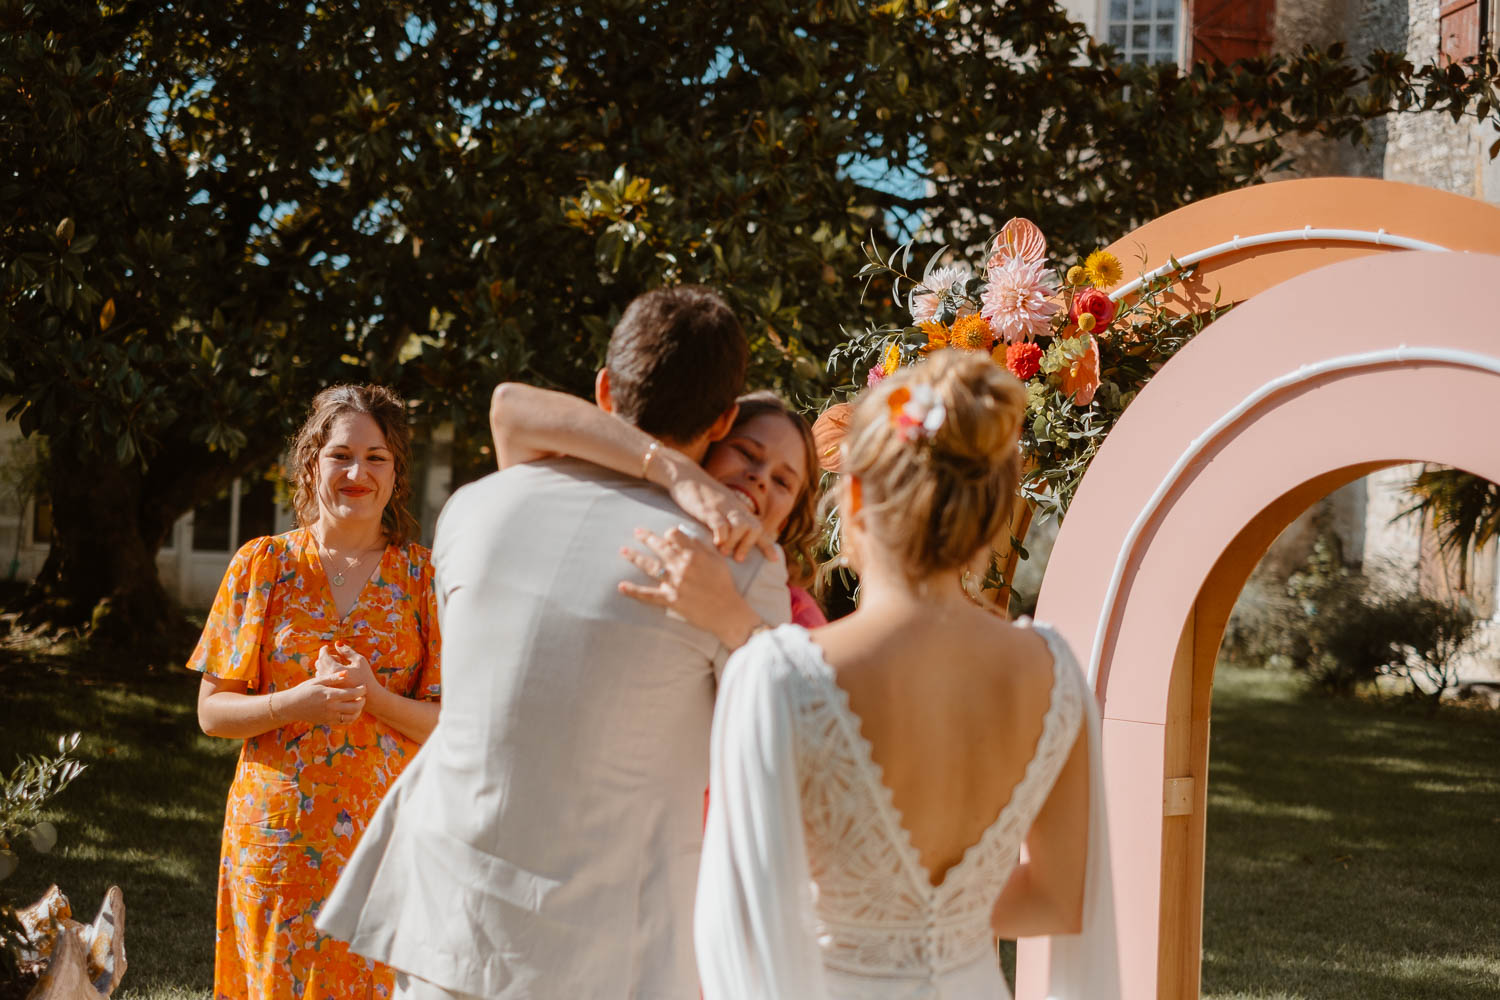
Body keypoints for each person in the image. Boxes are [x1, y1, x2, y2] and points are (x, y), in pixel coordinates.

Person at [318, 285, 792, 1000]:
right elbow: (782, 735)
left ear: (604, 387)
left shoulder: (475, 508)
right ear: (723, 420)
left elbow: (513, 408)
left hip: (448, 918)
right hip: (610, 951)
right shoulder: (742, 560)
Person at [694, 351, 1120, 999]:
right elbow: (1061, 903)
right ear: (990, 512)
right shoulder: (1056, 674)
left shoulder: (781, 677)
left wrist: (878, 922)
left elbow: (738, 934)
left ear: (857, 495)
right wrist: (935, 921)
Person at [190, 384, 442, 1000]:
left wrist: (376, 697)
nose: (358, 472)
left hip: (386, 848)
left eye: (376, 457)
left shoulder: (424, 577)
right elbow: (211, 713)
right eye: (341, 455)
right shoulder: (263, 565)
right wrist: (296, 702)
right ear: (311, 464)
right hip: (276, 846)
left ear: (396, 472)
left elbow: (454, 723)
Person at [486, 385, 827, 635]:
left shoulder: (797, 613)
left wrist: (729, 615)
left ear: (787, 521)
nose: (760, 477)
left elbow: (810, 713)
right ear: (710, 442)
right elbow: (509, 406)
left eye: (783, 481)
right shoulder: (621, 510)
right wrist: (674, 470)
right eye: (746, 453)